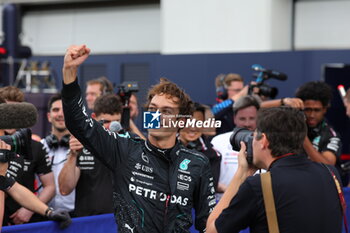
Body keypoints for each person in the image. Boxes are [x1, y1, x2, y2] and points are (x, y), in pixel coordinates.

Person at [61, 44, 215, 233]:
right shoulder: (124, 149)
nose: (156, 116)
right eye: (152, 110)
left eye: (166, 111)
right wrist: (70, 72)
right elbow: (78, 122)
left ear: (181, 121)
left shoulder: (197, 163)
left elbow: (208, 224)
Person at [206, 107, 343, 233]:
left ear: (264, 141)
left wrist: (241, 174)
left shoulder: (260, 186)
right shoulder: (330, 173)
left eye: (254, 136)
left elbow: (213, 230)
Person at [59, 94, 122, 217]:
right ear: (93, 118)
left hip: (119, 223)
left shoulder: (128, 145)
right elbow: (64, 189)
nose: (111, 127)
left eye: (116, 122)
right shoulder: (81, 145)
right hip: (88, 223)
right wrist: (72, 155)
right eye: (106, 121)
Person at [0, 86, 55, 225]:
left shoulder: (34, 146)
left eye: (15, 113)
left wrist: (35, 210)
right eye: (6, 112)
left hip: (27, 223)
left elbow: (11, 186)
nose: (10, 118)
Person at [211, 95, 260, 199]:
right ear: (234, 119)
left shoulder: (266, 143)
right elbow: (208, 178)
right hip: (223, 203)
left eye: (251, 118)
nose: (247, 124)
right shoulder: (218, 141)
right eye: (242, 118)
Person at [41, 94, 75, 213]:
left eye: (65, 110)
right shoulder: (39, 147)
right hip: (43, 215)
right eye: (56, 110)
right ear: (49, 116)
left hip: (76, 218)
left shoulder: (82, 148)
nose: (61, 114)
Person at [295, 81, 342, 166]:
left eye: (317, 110)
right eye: (307, 109)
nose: (311, 115)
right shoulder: (290, 128)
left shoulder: (331, 135)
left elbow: (328, 166)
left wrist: (303, 138)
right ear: (301, 108)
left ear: (324, 109)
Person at [178, 102, 221, 190]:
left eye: (198, 123)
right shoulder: (165, 147)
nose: (193, 127)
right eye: (189, 122)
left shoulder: (212, 155)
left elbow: (208, 190)